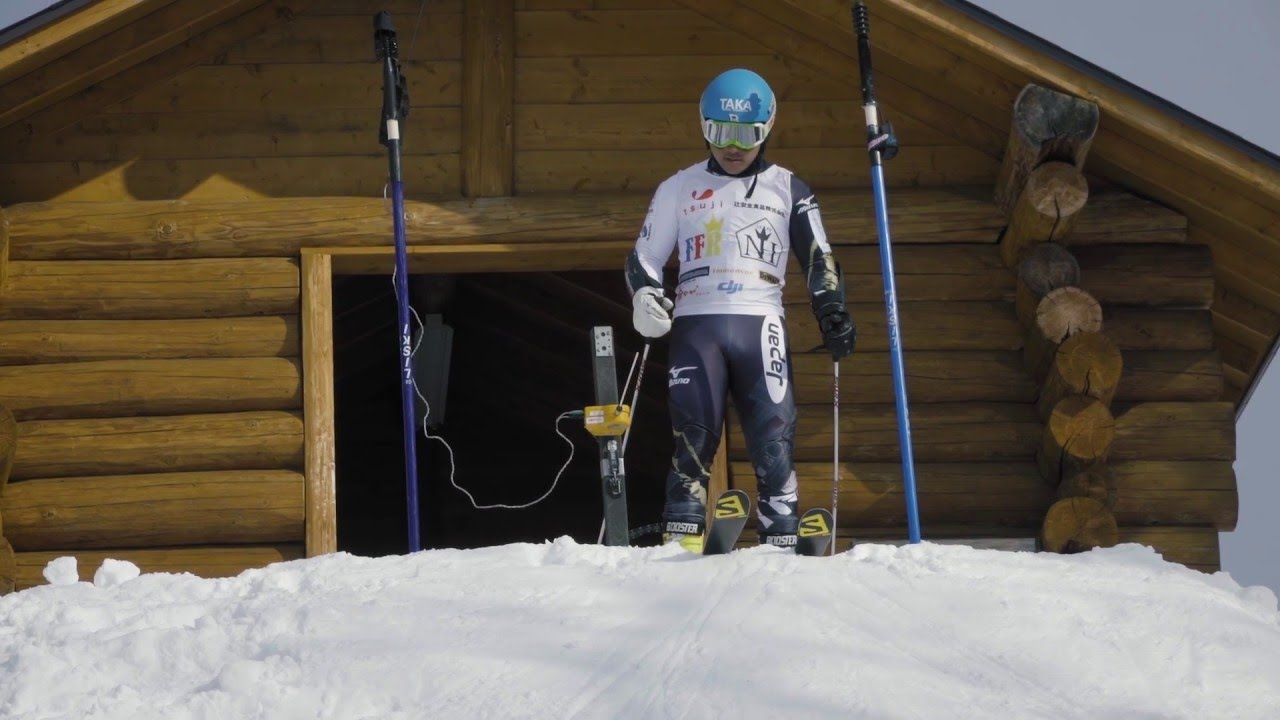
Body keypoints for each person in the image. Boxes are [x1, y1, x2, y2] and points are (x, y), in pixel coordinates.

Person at [624, 68, 857, 552]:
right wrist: (645, 295)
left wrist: (831, 307)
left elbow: (819, 256)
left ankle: (781, 524)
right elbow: (644, 257)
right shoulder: (677, 187)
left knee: (772, 439)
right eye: (719, 132)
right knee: (693, 434)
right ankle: (683, 527)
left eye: (746, 136)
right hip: (696, 321)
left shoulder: (790, 188)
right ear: (703, 127)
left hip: (760, 319)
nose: (732, 147)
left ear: (767, 129)